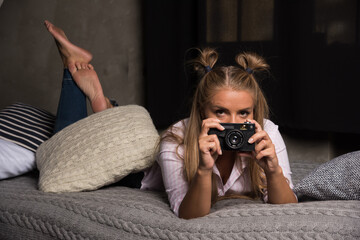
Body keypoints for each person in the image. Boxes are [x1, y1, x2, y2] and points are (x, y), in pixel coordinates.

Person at [141, 48, 298, 219]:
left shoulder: (266, 132)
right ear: (202, 110)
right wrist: (203, 169)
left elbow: (288, 207)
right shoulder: (176, 140)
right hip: (136, 177)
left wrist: (273, 171)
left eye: (244, 113)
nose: (233, 122)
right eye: (220, 112)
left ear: (254, 111)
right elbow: (188, 214)